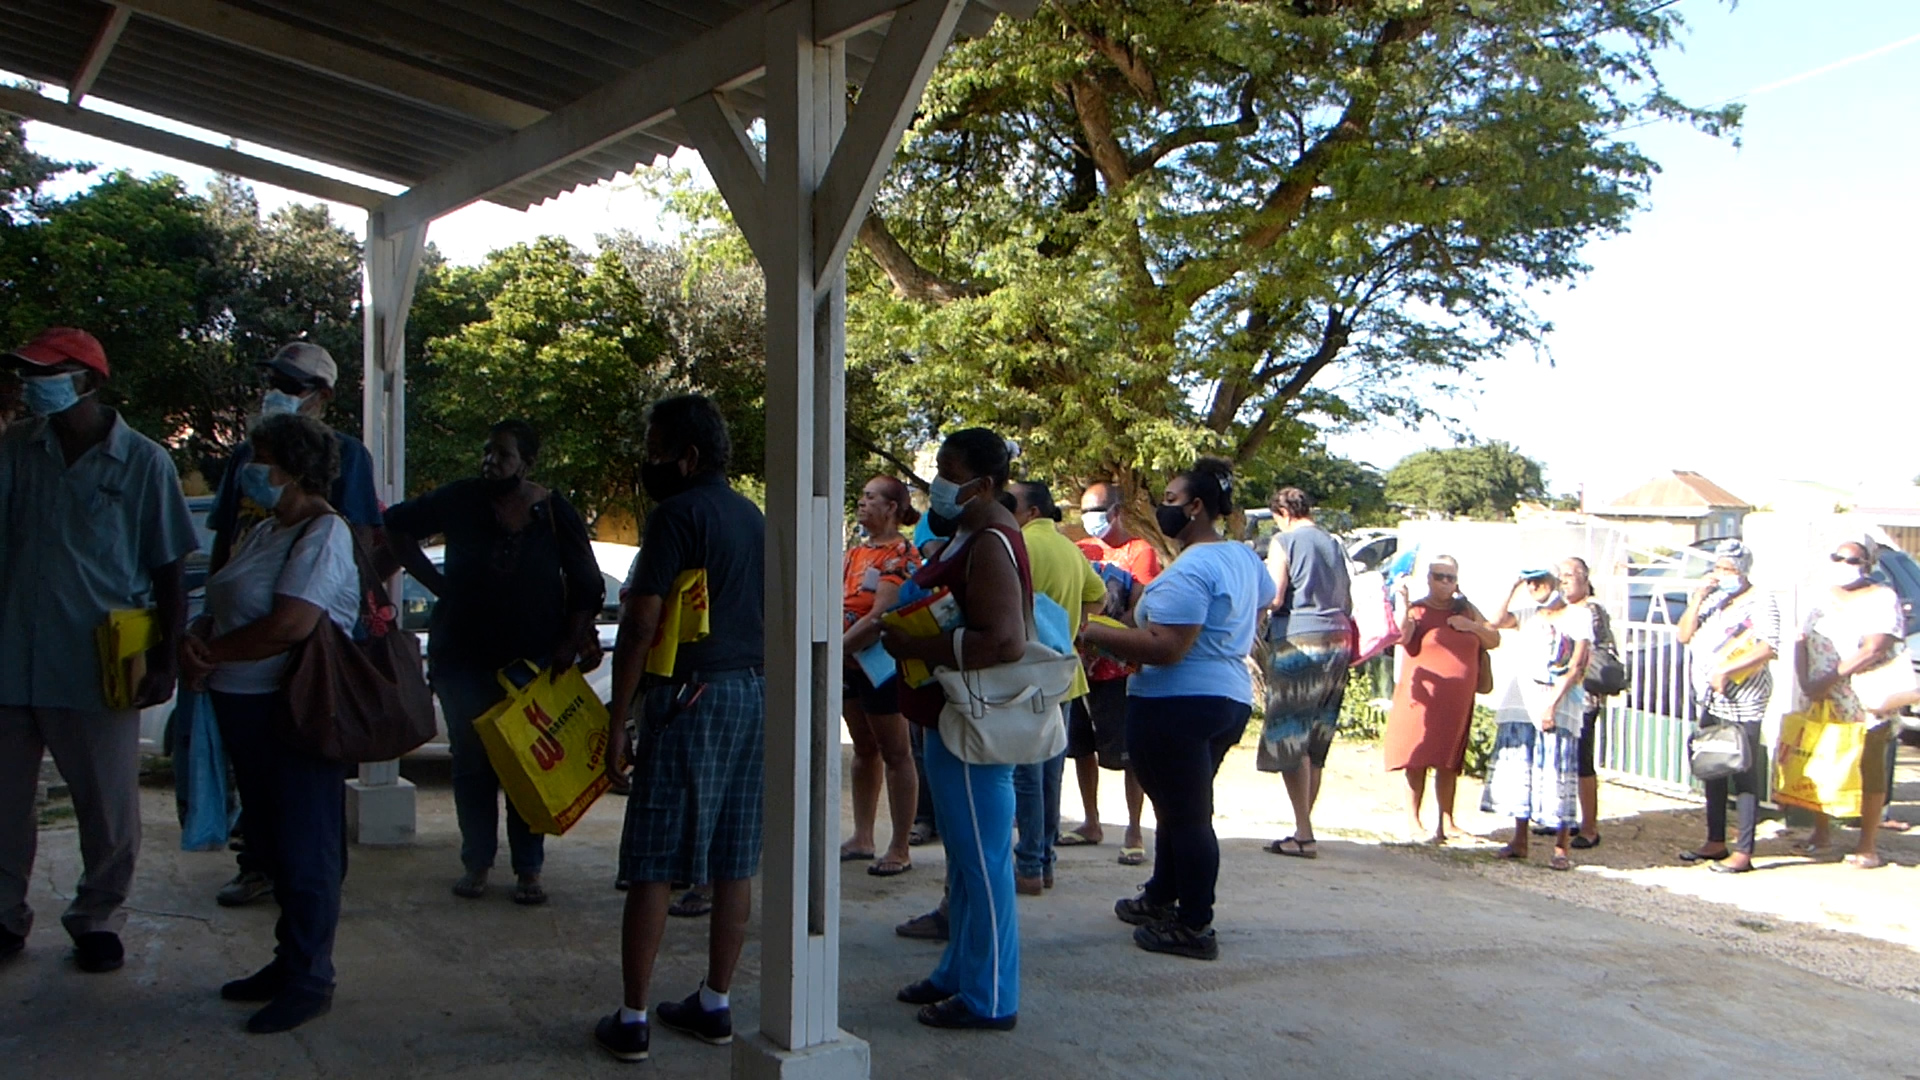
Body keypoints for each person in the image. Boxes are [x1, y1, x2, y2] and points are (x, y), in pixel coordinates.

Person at [0, 328, 196, 973]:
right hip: (11, 658)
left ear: (88, 380)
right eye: (27, 374)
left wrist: (167, 659)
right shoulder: (16, 450)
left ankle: (98, 917)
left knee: (107, 808)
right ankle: (5, 917)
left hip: (99, 663)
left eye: (45, 373)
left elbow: (169, 567)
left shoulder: (143, 461)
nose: (32, 385)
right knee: (4, 805)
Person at [595, 395, 765, 1061]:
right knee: (733, 856)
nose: (649, 461)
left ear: (687, 457)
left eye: (657, 446)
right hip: (751, 692)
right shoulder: (751, 517)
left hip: (688, 695)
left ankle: (633, 1018)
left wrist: (617, 721)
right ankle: (715, 1004)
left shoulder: (675, 515)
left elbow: (640, 624)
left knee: (653, 860)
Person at [178, 413, 360, 1033]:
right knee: (274, 842)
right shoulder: (264, 531)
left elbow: (291, 623)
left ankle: (311, 976)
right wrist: (202, 634)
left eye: (260, 458)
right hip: (243, 707)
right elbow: (226, 599)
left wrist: (214, 654)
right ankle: (289, 960)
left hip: (293, 712)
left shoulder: (323, 533)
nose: (249, 470)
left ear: (293, 467)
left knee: (307, 845)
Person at [384, 420, 604, 906]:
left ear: (526, 463)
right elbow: (396, 526)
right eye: (486, 452)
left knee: (526, 765)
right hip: (462, 657)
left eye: (502, 454)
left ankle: (528, 870)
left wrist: (569, 640)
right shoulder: (460, 499)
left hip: (532, 662)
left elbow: (588, 584)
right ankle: (476, 863)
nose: (489, 461)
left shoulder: (553, 511)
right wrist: (436, 585)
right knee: (471, 765)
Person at [205, 341, 383, 910]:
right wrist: (211, 619)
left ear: (323, 396)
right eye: (273, 379)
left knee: (307, 798)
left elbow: (356, 545)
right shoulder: (246, 462)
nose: (277, 391)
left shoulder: (344, 461)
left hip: (299, 659)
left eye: (292, 384)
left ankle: (312, 901)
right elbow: (224, 540)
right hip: (240, 657)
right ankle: (259, 866)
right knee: (261, 791)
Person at [1080, 458, 1272, 961]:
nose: (1161, 509)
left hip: (1177, 703)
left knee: (1187, 815)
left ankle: (1194, 923)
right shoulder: (1243, 558)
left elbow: (1167, 648)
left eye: (1169, 500)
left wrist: (1095, 632)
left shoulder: (1193, 569)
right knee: (1175, 807)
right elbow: (1264, 601)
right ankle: (1162, 895)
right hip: (1225, 696)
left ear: (1196, 507)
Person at [881, 428, 1028, 1031]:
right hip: (950, 717)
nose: (938, 480)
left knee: (983, 867)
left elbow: (1006, 642)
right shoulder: (970, 530)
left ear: (985, 484)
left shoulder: (990, 539)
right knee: (967, 864)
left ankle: (992, 996)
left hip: (971, 724)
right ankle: (958, 972)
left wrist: (920, 641)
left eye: (948, 469)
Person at [1008, 479, 1106, 894]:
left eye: (1009, 502)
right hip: (1064, 676)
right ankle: (1044, 860)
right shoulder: (1070, 547)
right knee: (1050, 775)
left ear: (1031, 512)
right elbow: (1099, 596)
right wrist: (1074, 627)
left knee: (1027, 776)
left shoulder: (1016, 546)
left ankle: (1030, 863)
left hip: (1025, 675)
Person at [1794, 535, 1903, 869]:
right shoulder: (1817, 595)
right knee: (1822, 764)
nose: (1844, 566)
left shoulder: (1882, 598)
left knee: (1868, 768)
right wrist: (1807, 683)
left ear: (1867, 565)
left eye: (1853, 561)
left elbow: (1875, 647)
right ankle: (1821, 833)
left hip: (1864, 699)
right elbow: (1801, 639)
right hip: (1820, 697)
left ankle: (1867, 845)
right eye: (1838, 559)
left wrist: (1830, 679)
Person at [1063, 482, 1157, 861]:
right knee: (1081, 746)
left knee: (1129, 751)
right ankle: (1090, 820)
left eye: (1097, 510)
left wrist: (1109, 634)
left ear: (1117, 512)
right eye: (1084, 511)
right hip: (1079, 665)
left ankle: (1134, 830)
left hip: (1119, 667)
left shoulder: (1140, 552)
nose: (1090, 520)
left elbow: (1140, 609)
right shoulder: (1079, 550)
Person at [1258, 487, 1353, 859]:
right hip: (1339, 639)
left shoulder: (1284, 540)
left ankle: (1305, 833)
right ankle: (1303, 826)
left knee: (1290, 734)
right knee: (1316, 737)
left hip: (1300, 639)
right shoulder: (1333, 543)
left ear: (1282, 512)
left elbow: (1275, 595)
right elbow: (1347, 598)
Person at [1674, 539, 1778, 873]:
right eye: (1719, 568)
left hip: (1743, 698)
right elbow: (1683, 634)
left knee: (1742, 770)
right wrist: (1698, 598)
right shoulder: (1715, 598)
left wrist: (1728, 670)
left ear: (1743, 570)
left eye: (1729, 569)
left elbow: (1768, 646)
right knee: (1713, 766)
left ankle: (1744, 850)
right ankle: (1715, 839)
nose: (1723, 574)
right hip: (1710, 696)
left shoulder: (1760, 600)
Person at [840, 475, 922, 877]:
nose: (862, 502)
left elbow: (880, 617)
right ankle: (862, 836)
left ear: (892, 508)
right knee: (863, 748)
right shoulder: (855, 553)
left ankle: (899, 846)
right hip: (851, 667)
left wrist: (836, 650)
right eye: (862, 495)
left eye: (871, 497)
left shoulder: (902, 555)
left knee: (895, 751)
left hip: (881, 667)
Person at [1382, 556, 1497, 843]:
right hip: (1422, 697)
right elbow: (1401, 636)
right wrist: (1404, 604)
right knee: (1417, 757)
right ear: (1429, 578)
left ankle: (1447, 821)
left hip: (1457, 698)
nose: (1445, 583)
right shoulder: (1418, 610)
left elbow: (1494, 638)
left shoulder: (1467, 609)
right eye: (1439, 576)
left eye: (1450, 578)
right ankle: (1413, 819)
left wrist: (1470, 626)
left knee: (1449, 758)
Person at [1484, 569, 1591, 870]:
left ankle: (1561, 846)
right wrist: (1512, 585)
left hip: (1556, 703)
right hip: (1522, 701)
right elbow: (1493, 621)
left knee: (1557, 772)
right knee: (1523, 771)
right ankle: (1520, 839)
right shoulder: (1529, 613)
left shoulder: (1577, 616)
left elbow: (1576, 664)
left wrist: (1552, 704)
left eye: (1539, 580)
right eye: (1529, 581)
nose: (1534, 586)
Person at [1559, 557, 1615, 850]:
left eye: (1570, 574)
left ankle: (1590, 826)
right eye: (1561, 575)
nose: (1564, 580)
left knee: (1582, 760)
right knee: (1563, 758)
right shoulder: (1562, 609)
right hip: (1562, 693)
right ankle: (1563, 818)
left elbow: (1581, 652)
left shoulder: (1591, 611)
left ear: (1584, 577)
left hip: (1584, 695)